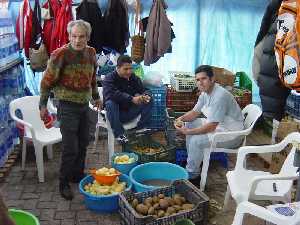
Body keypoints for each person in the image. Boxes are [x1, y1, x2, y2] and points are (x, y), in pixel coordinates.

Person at [39, 20, 101, 200]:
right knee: (70, 148)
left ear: (87, 37)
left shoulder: (91, 52)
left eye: (81, 36)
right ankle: (63, 182)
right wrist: (42, 105)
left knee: (83, 142)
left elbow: (93, 77)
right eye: (74, 36)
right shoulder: (60, 55)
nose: (77, 40)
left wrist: (96, 97)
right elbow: (46, 82)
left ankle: (76, 175)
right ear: (69, 36)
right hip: (66, 106)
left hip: (84, 105)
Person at [174, 65, 244, 182]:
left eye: (204, 79)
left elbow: (211, 127)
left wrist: (188, 132)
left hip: (232, 134)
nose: (200, 83)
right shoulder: (205, 93)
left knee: (196, 140)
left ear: (212, 79)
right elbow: (194, 113)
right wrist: (180, 119)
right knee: (190, 124)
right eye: (197, 80)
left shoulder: (220, 96)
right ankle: (192, 160)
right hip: (220, 125)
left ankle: (193, 175)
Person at [102, 55, 153, 144]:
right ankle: (119, 135)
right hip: (115, 115)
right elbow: (111, 94)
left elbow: (145, 90)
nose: (129, 71)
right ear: (117, 68)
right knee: (110, 103)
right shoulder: (109, 78)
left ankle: (141, 128)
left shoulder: (133, 77)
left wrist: (145, 96)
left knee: (149, 99)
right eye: (125, 69)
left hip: (130, 111)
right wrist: (131, 99)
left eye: (130, 68)